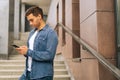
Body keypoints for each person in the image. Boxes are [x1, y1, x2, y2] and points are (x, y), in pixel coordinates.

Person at [16, 6, 58, 80]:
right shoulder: (32, 33)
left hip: (42, 75)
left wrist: (28, 51)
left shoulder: (51, 33)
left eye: (31, 20)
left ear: (39, 16)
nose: (30, 23)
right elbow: (31, 52)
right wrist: (25, 52)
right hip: (27, 73)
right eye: (29, 21)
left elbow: (49, 55)